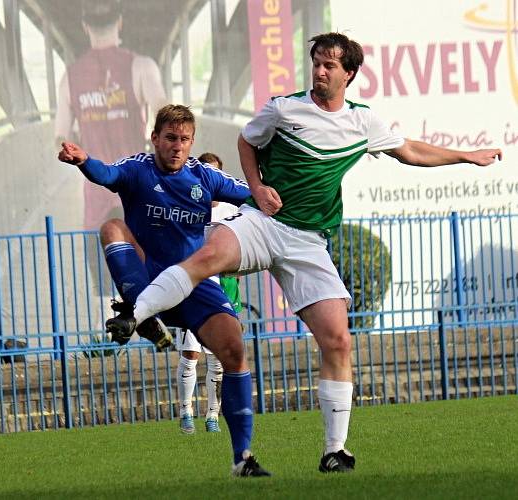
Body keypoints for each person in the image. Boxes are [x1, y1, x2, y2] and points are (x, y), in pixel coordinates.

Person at [105, 32, 503, 473]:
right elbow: (247, 141)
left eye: (330, 65)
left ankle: (335, 451)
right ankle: (134, 314)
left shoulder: (362, 123)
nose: (319, 70)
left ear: (349, 73)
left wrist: (467, 157)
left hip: (308, 241)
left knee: (338, 340)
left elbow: (409, 150)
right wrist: (256, 187)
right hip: (263, 222)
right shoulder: (283, 108)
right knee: (205, 259)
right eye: (316, 62)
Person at [58, 104, 271, 477]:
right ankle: (141, 310)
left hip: (195, 281)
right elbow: (107, 174)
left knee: (234, 351)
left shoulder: (204, 176)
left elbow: (251, 193)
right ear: (155, 138)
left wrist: (277, 195)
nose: (177, 146)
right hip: (149, 273)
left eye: (184, 140)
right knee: (112, 227)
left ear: (191, 143)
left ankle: (243, 458)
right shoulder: (138, 168)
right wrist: (83, 160)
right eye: (170, 138)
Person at [54, 0, 167, 230]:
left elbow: (60, 138)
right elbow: (167, 118)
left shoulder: (70, 78)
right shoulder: (142, 67)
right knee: (150, 264)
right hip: (136, 189)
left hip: (96, 197)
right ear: (120, 22)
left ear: (85, 27)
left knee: (101, 263)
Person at [176, 153, 243, 435]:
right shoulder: (186, 206)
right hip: (193, 288)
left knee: (219, 358)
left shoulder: (230, 211)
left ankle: (213, 415)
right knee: (190, 353)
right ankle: (185, 412)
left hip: (224, 288)